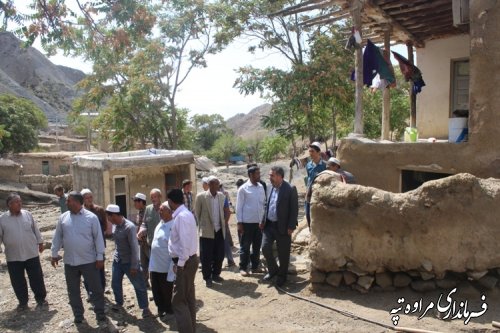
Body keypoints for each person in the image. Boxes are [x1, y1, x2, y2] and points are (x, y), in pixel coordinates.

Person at [51, 191, 106, 324]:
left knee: (96, 289)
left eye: (68, 200)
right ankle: (78, 316)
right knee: (73, 291)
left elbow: (98, 238)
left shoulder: (91, 218)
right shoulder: (63, 218)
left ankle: (100, 313)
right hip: (70, 262)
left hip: (89, 261)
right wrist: (54, 254)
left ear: (76, 202)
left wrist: (100, 257)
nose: (66, 202)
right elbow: (57, 237)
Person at [0, 193, 47, 310]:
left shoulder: (27, 214)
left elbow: (35, 229)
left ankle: (41, 299)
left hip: (31, 253)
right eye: (17, 202)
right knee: (17, 280)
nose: (20, 204)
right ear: (9, 205)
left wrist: (40, 242)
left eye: (20, 201)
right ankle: (23, 302)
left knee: (36, 277)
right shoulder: (2, 219)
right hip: (13, 256)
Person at [106, 204, 152, 318]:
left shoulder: (129, 227)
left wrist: (134, 265)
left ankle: (145, 308)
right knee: (115, 283)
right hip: (118, 259)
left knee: (138, 285)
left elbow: (134, 247)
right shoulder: (115, 226)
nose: (108, 219)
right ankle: (119, 302)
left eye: (109, 217)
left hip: (129, 261)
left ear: (114, 216)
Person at [261, 166, 298, 287]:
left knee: (283, 254)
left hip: (283, 226)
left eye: (272, 175)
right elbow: (267, 204)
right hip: (269, 225)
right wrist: (263, 220)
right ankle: (273, 270)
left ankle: (282, 276)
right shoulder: (269, 187)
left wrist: (291, 226)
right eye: (270, 175)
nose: (269, 177)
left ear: (279, 176)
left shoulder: (290, 189)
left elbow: (294, 209)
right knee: (265, 248)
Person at [167, 189, 199, 333]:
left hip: (185, 263)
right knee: (188, 297)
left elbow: (185, 244)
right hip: (188, 261)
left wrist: (180, 265)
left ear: (171, 202)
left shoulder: (182, 217)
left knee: (178, 301)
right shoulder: (185, 214)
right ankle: (192, 328)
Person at [194, 176, 226, 287]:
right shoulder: (201, 197)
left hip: (219, 230)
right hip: (207, 231)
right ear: (208, 185)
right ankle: (207, 277)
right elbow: (197, 214)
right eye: (211, 184)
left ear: (218, 185)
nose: (214, 186)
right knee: (206, 256)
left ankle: (216, 274)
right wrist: (202, 227)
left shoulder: (221, 196)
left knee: (220, 254)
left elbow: (224, 211)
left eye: (216, 184)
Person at [236, 165, 266, 276]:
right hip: (247, 223)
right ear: (251, 175)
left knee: (257, 246)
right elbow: (238, 207)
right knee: (245, 246)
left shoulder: (261, 187)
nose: (259, 175)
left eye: (259, 173)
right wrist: (239, 223)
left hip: (258, 223)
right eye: (257, 173)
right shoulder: (243, 189)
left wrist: (262, 220)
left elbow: (263, 204)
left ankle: (255, 267)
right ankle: (243, 267)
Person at [149, 201, 176, 318]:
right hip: (154, 265)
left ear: (169, 212)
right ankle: (160, 309)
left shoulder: (174, 226)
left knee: (166, 290)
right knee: (155, 290)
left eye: (162, 209)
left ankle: (168, 310)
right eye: (159, 209)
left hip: (165, 266)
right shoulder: (159, 224)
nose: (159, 211)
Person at [81, 188, 107, 291]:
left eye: (90, 197)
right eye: (86, 198)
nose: (89, 199)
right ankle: (90, 291)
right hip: (85, 246)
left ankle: (101, 290)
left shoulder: (99, 210)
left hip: (99, 244)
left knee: (100, 267)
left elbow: (104, 227)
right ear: (82, 199)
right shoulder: (80, 212)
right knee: (87, 269)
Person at [137, 188, 162, 288]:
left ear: (160, 197)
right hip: (150, 243)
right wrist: (142, 229)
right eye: (151, 197)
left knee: (159, 268)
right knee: (150, 267)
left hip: (162, 245)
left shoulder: (165, 208)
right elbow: (144, 223)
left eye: (155, 196)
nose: (153, 199)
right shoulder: (148, 209)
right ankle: (152, 285)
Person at [305, 142, 326, 230]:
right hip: (309, 193)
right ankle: (311, 231)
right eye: (309, 151)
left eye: (312, 151)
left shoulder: (325, 165)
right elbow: (308, 178)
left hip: (321, 194)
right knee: (308, 214)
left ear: (318, 152)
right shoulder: (308, 165)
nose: (310, 154)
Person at [132, 192, 149, 282]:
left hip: (148, 242)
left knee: (151, 263)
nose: (134, 203)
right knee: (143, 263)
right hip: (141, 242)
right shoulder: (139, 212)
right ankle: (145, 282)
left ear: (141, 202)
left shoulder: (148, 211)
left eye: (136, 201)